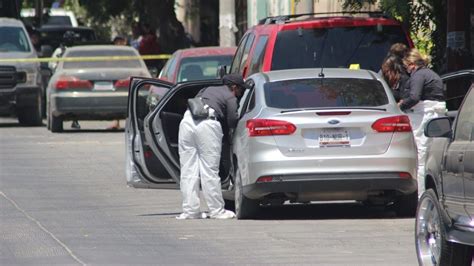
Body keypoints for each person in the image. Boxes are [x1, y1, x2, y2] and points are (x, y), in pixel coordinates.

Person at [176, 74, 246, 220]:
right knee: (209, 170)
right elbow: (232, 120)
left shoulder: (206, 89)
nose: (241, 93)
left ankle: (190, 211)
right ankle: (217, 211)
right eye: (240, 90)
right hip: (208, 123)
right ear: (234, 87)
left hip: (187, 121)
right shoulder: (230, 96)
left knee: (188, 169)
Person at [399, 49, 446, 196]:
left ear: (412, 64)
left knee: (422, 158)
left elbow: (414, 97)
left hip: (424, 115)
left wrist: (400, 105)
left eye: (406, 66)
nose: (407, 70)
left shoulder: (418, 75)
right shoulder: (432, 74)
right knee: (437, 155)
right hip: (438, 115)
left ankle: (422, 197)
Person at [50, 31, 81, 129]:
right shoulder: (59, 51)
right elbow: (52, 64)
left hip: (74, 78)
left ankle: (75, 121)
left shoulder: (76, 50)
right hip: (63, 78)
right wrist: (58, 71)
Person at [107, 36, 128, 130]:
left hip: (127, 79)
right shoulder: (113, 54)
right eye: (117, 42)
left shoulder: (128, 53)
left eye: (120, 42)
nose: (118, 44)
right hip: (117, 79)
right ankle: (116, 122)